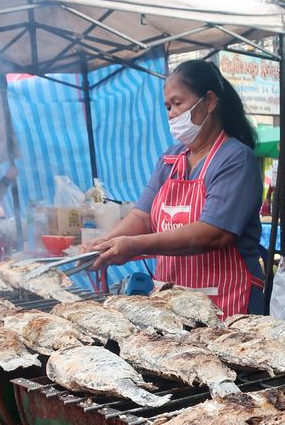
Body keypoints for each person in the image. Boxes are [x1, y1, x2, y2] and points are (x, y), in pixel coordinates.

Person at [83, 60, 264, 316]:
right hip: (171, 302)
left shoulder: (235, 159)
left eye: (178, 104)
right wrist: (107, 241)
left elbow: (213, 233)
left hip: (224, 303)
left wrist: (135, 245)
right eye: (168, 107)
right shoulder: (171, 158)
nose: (171, 114)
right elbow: (142, 216)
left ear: (209, 101)